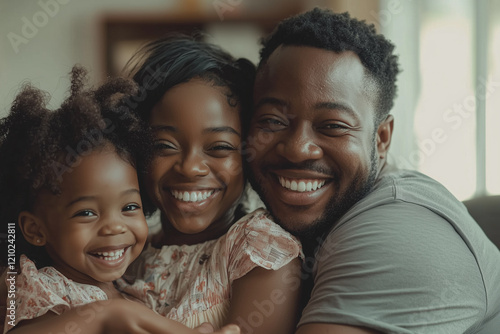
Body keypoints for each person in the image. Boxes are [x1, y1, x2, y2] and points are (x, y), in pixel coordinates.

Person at [245, 7, 500, 334]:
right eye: (273, 121)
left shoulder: (401, 234)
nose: (297, 148)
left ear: (381, 139)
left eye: (333, 126)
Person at [0, 66, 239, 334]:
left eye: (129, 207)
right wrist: (102, 315)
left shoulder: (132, 290)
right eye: (86, 213)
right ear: (35, 229)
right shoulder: (42, 288)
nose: (115, 227)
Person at [115, 35, 302, 333]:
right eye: (164, 145)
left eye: (219, 148)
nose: (190, 167)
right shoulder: (125, 249)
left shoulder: (258, 251)